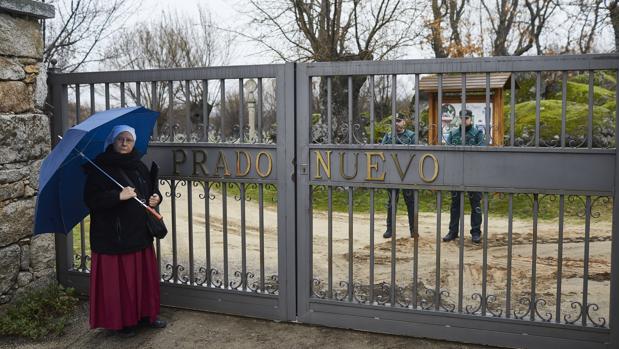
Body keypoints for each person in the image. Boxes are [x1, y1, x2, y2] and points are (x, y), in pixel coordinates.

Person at [84, 125, 166, 337]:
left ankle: (148, 314)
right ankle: (124, 322)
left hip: (139, 233)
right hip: (114, 237)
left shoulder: (138, 165)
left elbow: (150, 188)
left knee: (142, 280)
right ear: (113, 141)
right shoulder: (99, 168)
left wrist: (156, 197)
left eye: (128, 139)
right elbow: (91, 200)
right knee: (121, 284)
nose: (124, 143)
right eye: (120, 139)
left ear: (133, 142)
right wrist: (117, 196)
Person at [443, 109, 484, 244]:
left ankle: (476, 232)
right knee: (455, 204)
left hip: (474, 173)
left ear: (471, 119)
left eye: (466, 118)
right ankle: (453, 231)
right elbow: (447, 153)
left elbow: (482, 151)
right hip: (457, 173)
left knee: (475, 204)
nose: (464, 120)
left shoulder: (477, 133)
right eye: (462, 118)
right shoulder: (453, 134)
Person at [381, 115, 416, 239]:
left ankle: (413, 230)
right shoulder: (389, 135)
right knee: (391, 202)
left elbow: (415, 152)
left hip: (408, 173)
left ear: (404, 122)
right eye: (394, 121)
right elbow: (382, 151)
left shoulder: (411, 135)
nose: (396, 123)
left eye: (398, 121)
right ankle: (390, 229)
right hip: (392, 173)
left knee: (411, 203)